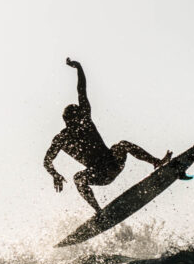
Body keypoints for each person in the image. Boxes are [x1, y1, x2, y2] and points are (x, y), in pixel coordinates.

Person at [44, 58, 171, 213]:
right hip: (98, 174)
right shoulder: (62, 138)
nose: (80, 119)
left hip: (113, 162)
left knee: (122, 145)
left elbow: (81, 91)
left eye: (80, 115)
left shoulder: (85, 120)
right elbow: (47, 161)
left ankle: (156, 162)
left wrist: (79, 68)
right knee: (78, 178)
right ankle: (99, 211)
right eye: (76, 117)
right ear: (68, 121)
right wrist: (55, 174)